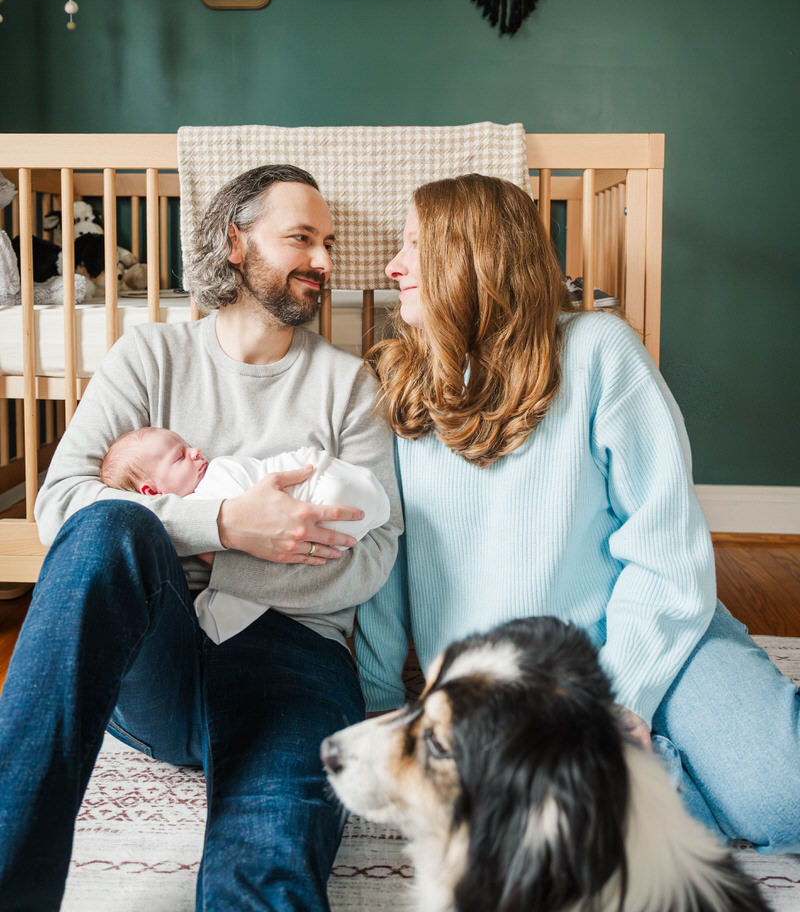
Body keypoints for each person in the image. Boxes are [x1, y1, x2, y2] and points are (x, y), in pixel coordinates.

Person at [353, 172, 800, 854]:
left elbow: (664, 545)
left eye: (415, 244)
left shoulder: (599, 351)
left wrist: (616, 701)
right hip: (514, 691)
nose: (392, 266)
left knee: (784, 802)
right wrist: (380, 697)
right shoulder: (398, 385)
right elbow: (388, 560)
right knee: (562, 836)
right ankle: (663, 770)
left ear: (475, 254)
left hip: (660, 635)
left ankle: (665, 746)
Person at [0, 163, 402, 912]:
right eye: (300, 238)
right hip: (158, 658)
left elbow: (376, 554)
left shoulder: (350, 385)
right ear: (236, 242)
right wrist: (222, 525)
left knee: (266, 864)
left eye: (329, 243)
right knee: (109, 525)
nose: (322, 260)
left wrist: (238, 569)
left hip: (297, 656)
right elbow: (63, 507)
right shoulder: (148, 356)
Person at [101, 425, 391, 643]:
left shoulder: (215, 478)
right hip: (355, 496)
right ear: (151, 492)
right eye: (180, 456)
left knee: (219, 614)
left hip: (330, 495)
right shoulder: (193, 499)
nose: (196, 451)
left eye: (187, 445)